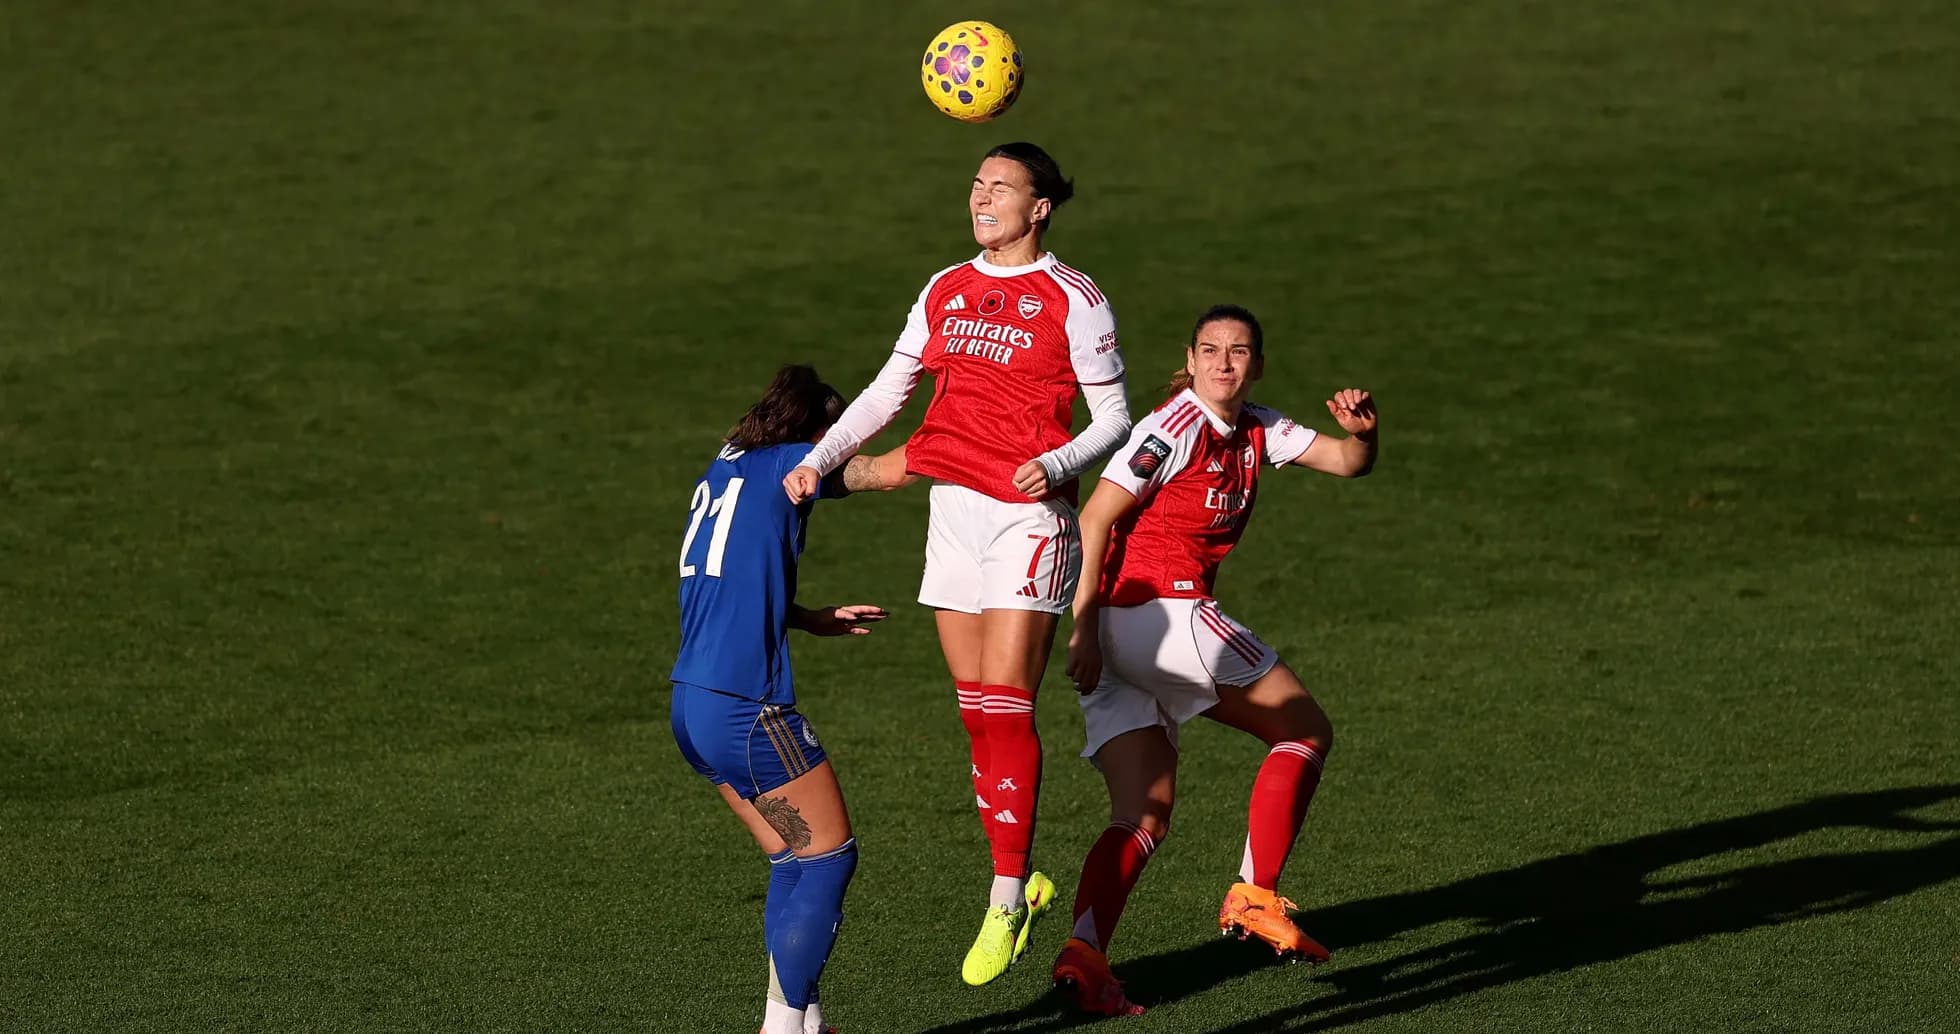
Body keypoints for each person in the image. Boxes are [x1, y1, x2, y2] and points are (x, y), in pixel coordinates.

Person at [781, 142, 1134, 986]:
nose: (982, 198)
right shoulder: (945, 286)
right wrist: (820, 460)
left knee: (1008, 702)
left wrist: (1056, 464)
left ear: (1039, 207)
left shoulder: (1074, 297)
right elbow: (887, 390)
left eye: (1001, 187)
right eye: (977, 184)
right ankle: (1023, 882)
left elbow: (1116, 416)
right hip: (953, 513)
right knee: (975, 711)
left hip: (1027, 517)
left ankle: (1005, 896)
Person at [1047, 305, 1381, 1016]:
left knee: (1143, 813)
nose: (1224, 362)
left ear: (1256, 364)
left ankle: (1085, 956)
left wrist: (1363, 434)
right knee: (1304, 731)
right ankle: (1255, 894)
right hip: (1158, 616)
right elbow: (1095, 517)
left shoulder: (1259, 426)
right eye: (1210, 350)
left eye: (1238, 351)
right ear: (1190, 359)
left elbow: (1347, 462)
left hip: (1122, 637)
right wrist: (1081, 631)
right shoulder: (1171, 428)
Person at [670, 365, 911, 1034]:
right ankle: (781, 1030)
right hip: (747, 708)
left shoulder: (725, 467)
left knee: (790, 859)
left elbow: (731, 578)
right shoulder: (792, 464)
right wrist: (973, 417)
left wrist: (806, 618)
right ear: (814, 433)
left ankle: (806, 1024)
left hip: (692, 705)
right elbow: (891, 471)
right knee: (830, 858)